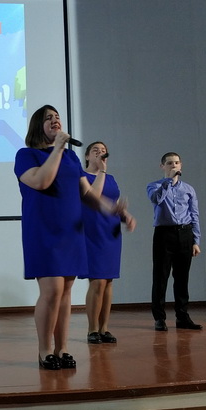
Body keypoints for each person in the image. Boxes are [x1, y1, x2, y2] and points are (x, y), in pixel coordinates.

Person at [15, 105, 135, 370]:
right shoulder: (27, 155)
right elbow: (41, 181)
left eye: (57, 117)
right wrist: (57, 148)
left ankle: (62, 349)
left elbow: (87, 194)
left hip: (71, 231)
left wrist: (113, 209)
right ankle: (45, 350)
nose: (55, 120)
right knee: (52, 290)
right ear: (37, 126)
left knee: (66, 291)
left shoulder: (70, 157)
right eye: (48, 118)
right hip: (44, 230)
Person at [146, 152, 202, 331]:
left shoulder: (189, 189)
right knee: (160, 277)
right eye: (170, 163)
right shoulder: (154, 186)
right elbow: (156, 199)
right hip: (164, 234)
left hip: (185, 233)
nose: (174, 166)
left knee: (182, 278)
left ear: (181, 165)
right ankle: (159, 318)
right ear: (162, 166)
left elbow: (194, 215)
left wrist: (196, 240)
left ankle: (182, 316)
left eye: (176, 163)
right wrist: (168, 181)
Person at [80, 141, 123, 344]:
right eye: (95, 151)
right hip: (92, 232)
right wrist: (102, 172)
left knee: (108, 281)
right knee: (97, 280)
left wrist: (124, 215)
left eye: (103, 151)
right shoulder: (82, 177)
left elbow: (113, 204)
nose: (100, 153)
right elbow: (94, 196)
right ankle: (92, 329)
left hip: (111, 232)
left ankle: (104, 328)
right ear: (87, 156)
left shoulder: (111, 178)